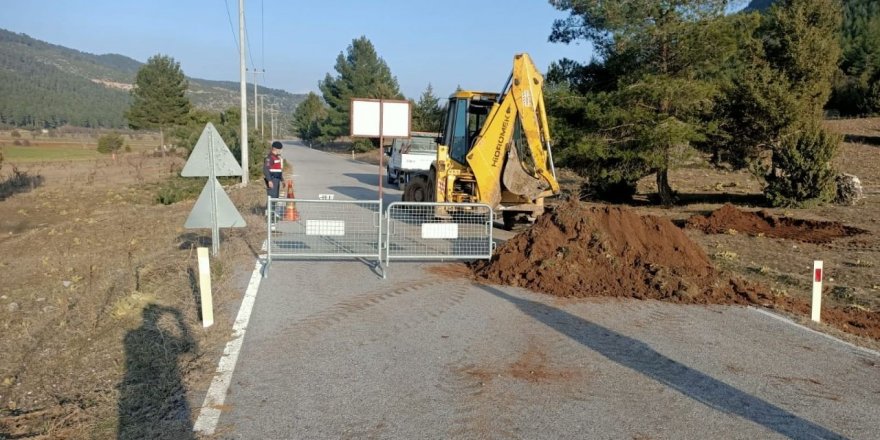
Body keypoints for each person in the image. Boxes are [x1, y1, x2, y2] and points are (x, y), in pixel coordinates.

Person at [263, 141, 284, 221]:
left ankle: (272, 215)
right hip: (272, 180)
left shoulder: (276, 157)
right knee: (271, 198)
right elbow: (266, 169)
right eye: (280, 149)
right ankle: (269, 217)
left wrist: (282, 180)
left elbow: (278, 170)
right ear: (275, 148)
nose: (281, 151)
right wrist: (269, 180)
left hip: (277, 180)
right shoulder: (270, 158)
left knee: (275, 198)